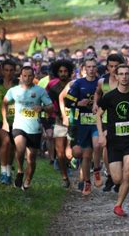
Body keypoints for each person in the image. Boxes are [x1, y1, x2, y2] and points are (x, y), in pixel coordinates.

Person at [96, 64, 129, 217]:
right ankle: (111, 177)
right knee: (117, 178)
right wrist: (101, 135)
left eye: (127, 74)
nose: (124, 77)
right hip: (114, 141)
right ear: (116, 76)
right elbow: (98, 115)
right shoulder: (109, 96)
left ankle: (118, 205)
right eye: (121, 74)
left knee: (127, 174)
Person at [3, 66, 53, 190]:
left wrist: (42, 108)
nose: (27, 78)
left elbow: (51, 107)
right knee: (20, 149)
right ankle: (20, 170)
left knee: (31, 159)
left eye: (30, 75)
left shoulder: (40, 91)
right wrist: (4, 120)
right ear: (20, 76)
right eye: (24, 75)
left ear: (34, 76)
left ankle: (28, 180)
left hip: (34, 128)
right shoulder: (13, 91)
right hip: (19, 126)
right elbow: (4, 103)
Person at [64, 57, 101, 196]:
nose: (91, 69)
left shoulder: (101, 82)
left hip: (97, 122)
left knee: (97, 145)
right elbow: (68, 101)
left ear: (97, 68)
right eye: (89, 67)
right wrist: (79, 103)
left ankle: (97, 169)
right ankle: (87, 182)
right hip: (83, 123)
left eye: (94, 66)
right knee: (85, 156)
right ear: (84, 69)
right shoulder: (78, 83)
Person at [93, 53, 125, 192]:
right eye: (111, 66)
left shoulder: (124, 81)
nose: (113, 69)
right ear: (107, 67)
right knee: (106, 148)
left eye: (116, 66)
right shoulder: (102, 82)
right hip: (106, 119)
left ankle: (118, 176)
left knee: (121, 149)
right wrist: (95, 103)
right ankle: (111, 175)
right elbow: (98, 93)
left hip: (122, 120)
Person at [47, 59, 75, 188]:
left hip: (75, 121)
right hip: (59, 120)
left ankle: (76, 168)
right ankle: (64, 176)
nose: (63, 73)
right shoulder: (53, 88)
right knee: (60, 152)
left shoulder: (75, 84)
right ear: (56, 72)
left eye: (65, 71)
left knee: (72, 151)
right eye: (60, 71)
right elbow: (48, 104)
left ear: (69, 72)